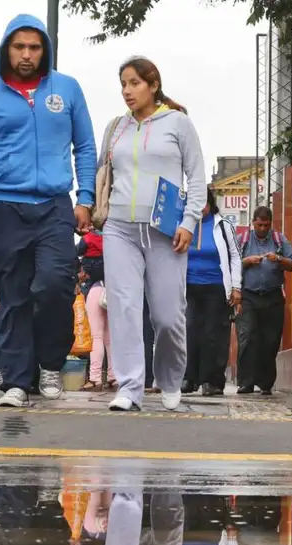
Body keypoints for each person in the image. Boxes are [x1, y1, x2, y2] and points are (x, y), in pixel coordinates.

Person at [0, 14, 97, 407]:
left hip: (56, 205)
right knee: (13, 296)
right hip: (5, 205)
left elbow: (85, 146)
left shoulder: (67, 89)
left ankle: (51, 363)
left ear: (45, 50)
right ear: (6, 48)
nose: (26, 55)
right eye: (19, 47)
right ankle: (17, 382)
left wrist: (85, 197)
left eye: (34, 47)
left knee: (55, 285)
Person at [100, 57, 207, 412]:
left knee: (166, 316)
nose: (127, 92)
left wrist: (189, 222)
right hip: (119, 229)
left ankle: (170, 378)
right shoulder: (116, 127)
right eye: (123, 85)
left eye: (134, 84)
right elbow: (101, 172)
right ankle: (130, 387)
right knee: (124, 307)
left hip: (166, 231)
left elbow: (196, 178)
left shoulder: (178, 123)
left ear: (153, 85)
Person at [183, 188, 242, 396]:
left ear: (210, 203)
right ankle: (189, 378)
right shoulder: (184, 225)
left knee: (213, 334)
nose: (200, 208)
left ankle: (212, 381)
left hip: (216, 287)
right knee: (189, 331)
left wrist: (236, 287)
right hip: (189, 287)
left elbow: (235, 256)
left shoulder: (223, 226)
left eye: (203, 203)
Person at [236, 206, 292, 396]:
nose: (262, 229)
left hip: (273, 297)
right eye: (259, 225)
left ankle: (266, 383)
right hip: (248, 296)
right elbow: (233, 263)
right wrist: (247, 261)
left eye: (266, 225)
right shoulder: (243, 241)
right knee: (247, 337)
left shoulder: (279, 240)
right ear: (253, 222)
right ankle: (245, 382)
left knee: (270, 340)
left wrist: (278, 258)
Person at [77, 231, 114, 392]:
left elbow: (74, 254)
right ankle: (114, 377)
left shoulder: (88, 239)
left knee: (96, 336)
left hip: (95, 288)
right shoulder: (115, 238)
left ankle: (95, 378)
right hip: (113, 289)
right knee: (110, 338)